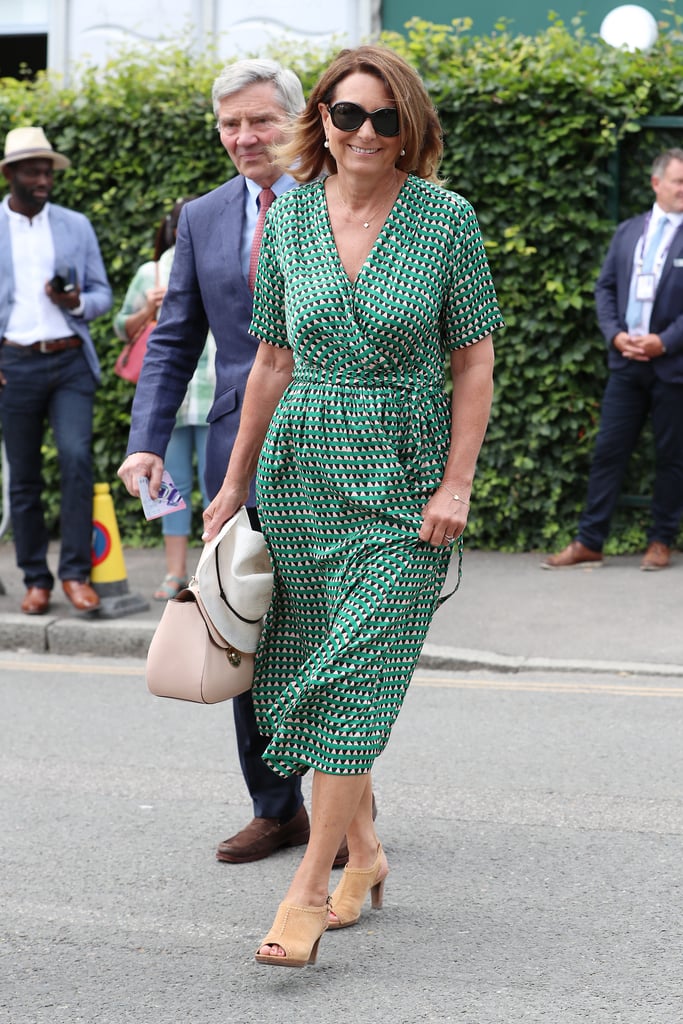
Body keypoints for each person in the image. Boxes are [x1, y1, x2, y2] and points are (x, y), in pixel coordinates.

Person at [200, 45, 503, 967]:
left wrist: (456, 483)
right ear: (321, 122)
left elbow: (473, 363)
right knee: (321, 675)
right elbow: (270, 361)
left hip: (404, 481)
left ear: (408, 128)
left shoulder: (447, 220)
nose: (365, 134)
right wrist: (233, 483)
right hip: (304, 474)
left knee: (355, 675)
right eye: (347, 116)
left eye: (384, 118)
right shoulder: (288, 222)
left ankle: (307, 890)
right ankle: (364, 855)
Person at [117, 60, 319, 865]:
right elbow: (172, 342)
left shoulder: (348, 196)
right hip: (242, 455)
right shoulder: (200, 218)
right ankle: (277, 809)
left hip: (340, 445)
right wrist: (145, 439)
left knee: (334, 628)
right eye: (230, 124)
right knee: (246, 625)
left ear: (296, 121)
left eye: (261, 121)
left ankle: (348, 813)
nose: (244, 138)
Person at [542, 149, 683, 572]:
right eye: (678, 182)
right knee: (608, 452)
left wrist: (665, 341)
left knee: (672, 458)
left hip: (672, 368)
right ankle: (590, 540)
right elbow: (604, 289)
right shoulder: (627, 232)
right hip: (625, 365)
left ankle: (661, 540)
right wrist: (615, 335)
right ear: (656, 184)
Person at [0, 126, 113, 615]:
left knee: (76, 460)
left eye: (48, 169)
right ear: (11, 175)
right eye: (34, 169)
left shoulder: (75, 224)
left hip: (69, 359)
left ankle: (74, 574)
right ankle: (35, 579)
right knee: (23, 477)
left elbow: (102, 293)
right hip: (14, 364)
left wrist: (76, 302)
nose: (44, 177)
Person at [114, 198, 215, 599]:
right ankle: (174, 573)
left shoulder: (219, 255)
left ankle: (211, 575)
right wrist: (146, 309)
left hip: (212, 395)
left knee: (217, 491)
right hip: (171, 405)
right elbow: (123, 328)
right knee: (166, 491)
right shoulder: (150, 271)